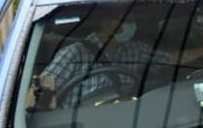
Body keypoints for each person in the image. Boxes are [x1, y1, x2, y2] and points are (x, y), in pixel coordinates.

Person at [36, 7, 169, 108]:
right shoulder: (73, 54)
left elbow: (171, 59)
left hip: (126, 120)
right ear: (106, 24)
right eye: (126, 21)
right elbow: (39, 97)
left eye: (133, 21)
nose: (132, 25)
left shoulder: (136, 49)